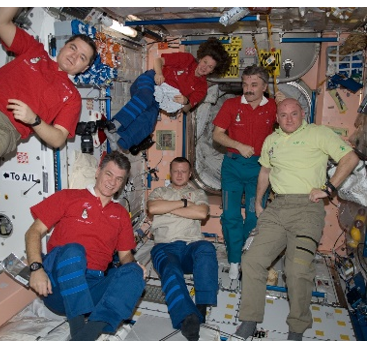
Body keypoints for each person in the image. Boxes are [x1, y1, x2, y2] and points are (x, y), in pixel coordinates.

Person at [234, 98, 358, 341]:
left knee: (297, 269)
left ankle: (297, 328)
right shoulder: (272, 140)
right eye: (283, 115)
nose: (289, 119)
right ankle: (250, 318)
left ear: (303, 114)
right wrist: (258, 202)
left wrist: (329, 188)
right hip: (277, 207)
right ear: (277, 118)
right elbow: (265, 171)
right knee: (251, 260)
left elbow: (350, 158)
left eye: (294, 113)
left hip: (307, 208)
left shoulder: (318, 133)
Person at [0, 7, 97, 178]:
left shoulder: (72, 97)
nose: (74, 56)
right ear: (64, 46)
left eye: (82, 57)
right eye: (73, 48)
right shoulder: (35, 50)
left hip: (1, 130)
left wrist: (34, 120)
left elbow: (59, 139)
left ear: (85, 67)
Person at [25, 153, 143, 341]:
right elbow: (33, 231)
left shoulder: (120, 214)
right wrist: (36, 268)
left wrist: (133, 266)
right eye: (109, 174)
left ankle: (89, 333)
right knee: (74, 250)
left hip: (92, 289)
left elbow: (125, 256)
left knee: (134, 273)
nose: (112, 182)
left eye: (119, 179)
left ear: (123, 183)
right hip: (58, 285)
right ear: (98, 172)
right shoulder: (69, 197)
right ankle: (77, 325)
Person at [211, 65, 276, 281]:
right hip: (232, 166)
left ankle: (249, 258)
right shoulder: (231, 105)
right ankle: (234, 260)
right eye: (245, 84)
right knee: (230, 216)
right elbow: (217, 135)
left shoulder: (274, 107)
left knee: (254, 216)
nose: (248, 89)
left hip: (260, 169)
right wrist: (238, 145)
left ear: (265, 87)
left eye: (254, 85)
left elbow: (290, 128)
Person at [107, 38, 230, 151]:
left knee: (149, 122)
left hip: (159, 100)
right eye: (205, 62)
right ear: (201, 57)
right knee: (146, 97)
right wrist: (159, 73)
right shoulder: (187, 59)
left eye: (210, 67)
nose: (204, 68)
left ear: (213, 70)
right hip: (150, 81)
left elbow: (187, 108)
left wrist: (185, 101)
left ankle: (118, 139)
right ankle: (115, 124)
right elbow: (159, 60)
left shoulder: (202, 88)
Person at [145, 157, 214, 341]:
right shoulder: (160, 191)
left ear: (190, 174)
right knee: (170, 269)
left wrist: (166, 209)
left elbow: (201, 213)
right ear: (170, 172)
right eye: (176, 171)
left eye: (184, 171)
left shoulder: (198, 193)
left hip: (191, 246)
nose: (180, 174)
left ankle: (202, 303)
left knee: (207, 248)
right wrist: (184, 204)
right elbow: (153, 207)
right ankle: (186, 317)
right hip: (165, 246)